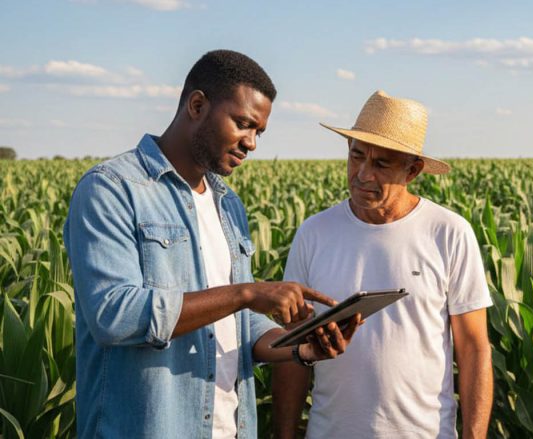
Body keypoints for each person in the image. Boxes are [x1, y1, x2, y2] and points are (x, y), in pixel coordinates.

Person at [63, 49, 360, 438]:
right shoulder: (112, 189)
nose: (252, 143)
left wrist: (300, 348)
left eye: (259, 132)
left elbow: (236, 325)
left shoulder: (227, 205)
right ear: (198, 105)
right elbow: (113, 315)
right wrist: (246, 293)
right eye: (243, 124)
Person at [273, 90, 494, 438]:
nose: (362, 174)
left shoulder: (449, 233)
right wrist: (284, 433)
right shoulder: (314, 233)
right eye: (357, 156)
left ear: (413, 170)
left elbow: (474, 348)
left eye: (381, 164)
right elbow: (292, 343)